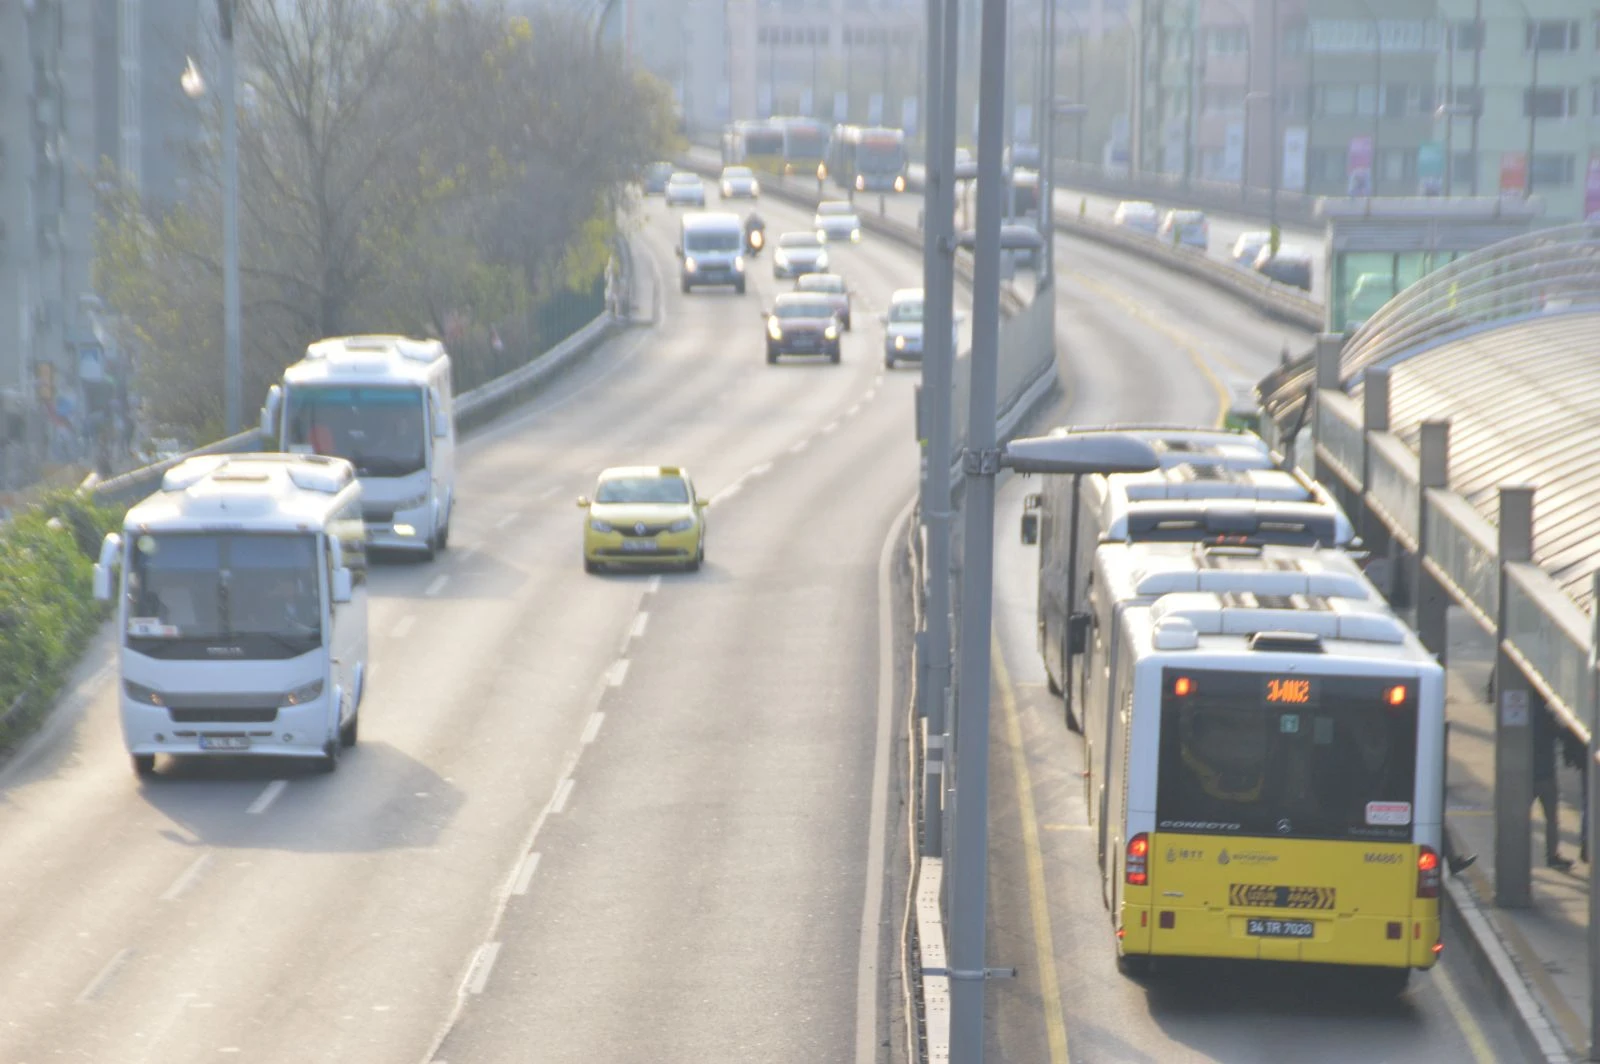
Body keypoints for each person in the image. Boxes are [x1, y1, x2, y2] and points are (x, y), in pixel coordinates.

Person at [1534, 701, 1572, 871]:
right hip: (1546, 774)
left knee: (1520, 818)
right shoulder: (1547, 716)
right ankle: (1552, 856)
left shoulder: (1528, 715)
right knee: (1551, 819)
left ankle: (1514, 855)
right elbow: (1562, 734)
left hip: (1527, 776)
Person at [1562, 729, 1589, 863]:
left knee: (1588, 803)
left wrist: (1569, 756)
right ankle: (1587, 845)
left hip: (1586, 762)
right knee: (1588, 803)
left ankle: (1586, 845)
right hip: (1587, 762)